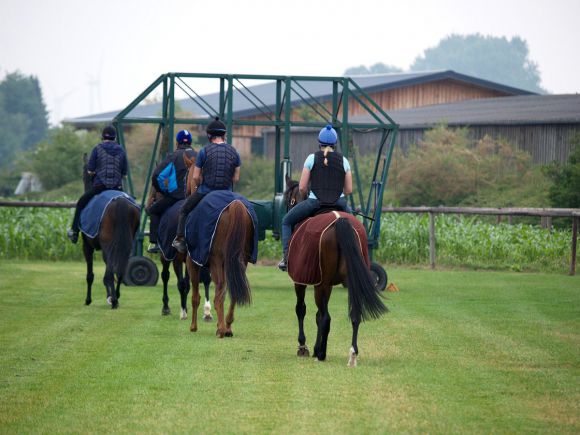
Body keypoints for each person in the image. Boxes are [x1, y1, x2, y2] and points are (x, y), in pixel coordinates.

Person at [278, 124, 352, 271]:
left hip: (315, 202)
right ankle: (360, 258)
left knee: (286, 221)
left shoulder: (311, 158)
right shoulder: (344, 161)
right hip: (340, 203)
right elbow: (349, 190)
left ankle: (286, 258)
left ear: (319, 143)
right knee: (356, 227)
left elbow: (302, 187)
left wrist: (305, 197)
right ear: (335, 144)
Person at [172, 117, 241, 253]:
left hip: (206, 191)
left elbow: (196, 176)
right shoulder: (234, 152)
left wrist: (198, 184)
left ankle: (180, 239)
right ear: (224, 135)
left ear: (209, 135)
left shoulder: (204, 151)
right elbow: (236, 178)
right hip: (227, 192)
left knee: (184, 209)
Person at [67, 125, 128, 243]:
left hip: (100, 187)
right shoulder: (121, 150)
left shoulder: (97, 148)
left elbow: (90, 170)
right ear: (115, 137)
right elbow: (124, 174)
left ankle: (74, 231)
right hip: (117, 188)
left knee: (81, 203)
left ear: (102, 136)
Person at [146, 129, 197, 253]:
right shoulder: (199, 155)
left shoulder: (173, 156)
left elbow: (157, 175)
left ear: (177, 142)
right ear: (190, 142)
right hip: (196, 196)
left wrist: (163, 190)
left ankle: (154, 243)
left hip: (176, 196)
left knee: (153, 211)